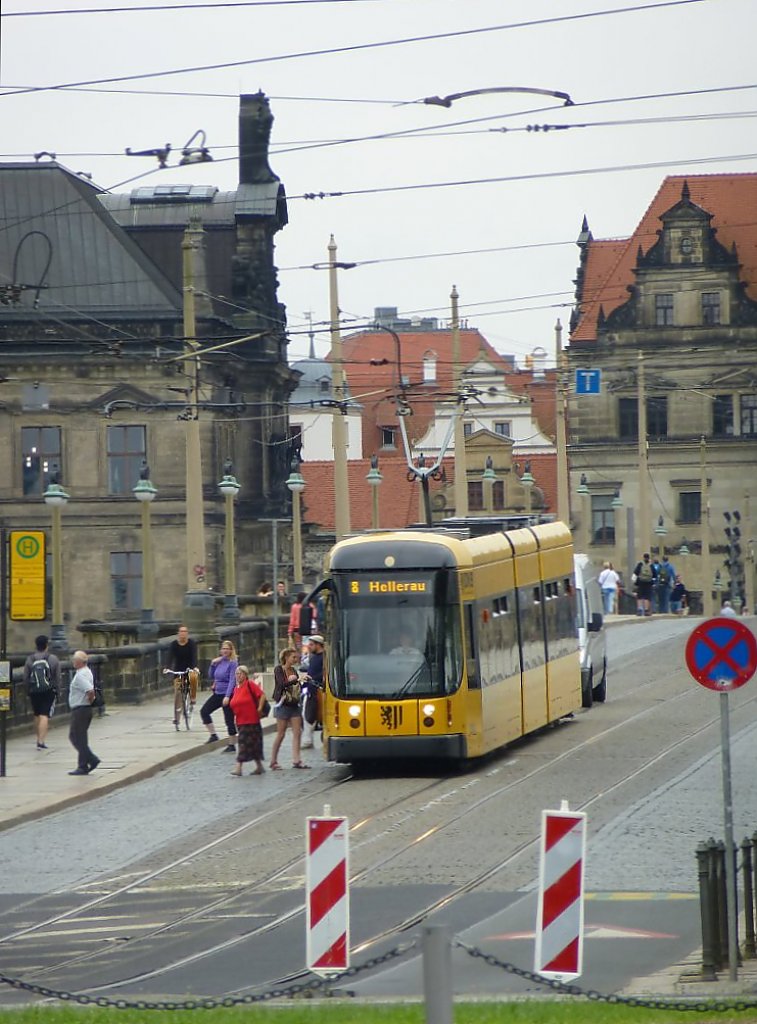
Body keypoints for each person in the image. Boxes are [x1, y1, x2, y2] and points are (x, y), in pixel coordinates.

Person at [269, 647, 309, 770]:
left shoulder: (294, 670)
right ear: (286, 657)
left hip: (294, 704)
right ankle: (273, 761)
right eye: (293, 657)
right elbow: (281, 684)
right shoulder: (279, 670)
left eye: (296, 657)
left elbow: (296, 687)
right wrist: (296, 680)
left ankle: (297, 760)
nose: (296, 659)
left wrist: (304, 681)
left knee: (297, 732)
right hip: (283, 704)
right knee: (281, 734)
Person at [23, 634, 61, 750]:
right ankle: (41, 741)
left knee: (37, 714)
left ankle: (38, 738)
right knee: (44, 715)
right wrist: (58, 691)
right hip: (48, 690)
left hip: (34, 690)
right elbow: (57, 677)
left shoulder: (30, 659)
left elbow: (26, 677)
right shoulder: (53, 659)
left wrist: (28, 690)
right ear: (46, 645)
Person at [228, 665, 266, 777]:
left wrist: (259, 708)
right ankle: (259, 766)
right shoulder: (236, 689)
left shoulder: (250, 685)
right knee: (253, 744)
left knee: (243, 744)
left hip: (252, 720)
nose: (238, 676)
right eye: (236, 674)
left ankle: (238, 767)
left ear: (245, 675)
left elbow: (262, 695)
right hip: (240, 721)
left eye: (240, 673)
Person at [200, 640, 239, 750]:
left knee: (229, 719)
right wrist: (212, 664)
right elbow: (211, 675)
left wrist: (227, 696)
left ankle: (232, 744)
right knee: (204, 711)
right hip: (217, 693)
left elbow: (232, 680)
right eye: (223, 648)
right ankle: (213, 735)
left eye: (227, 649)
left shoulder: (233, 663)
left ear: (231, 650)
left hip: (228, 694)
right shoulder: (220, 661)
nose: (225, 651)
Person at [67, 650, 99, 776]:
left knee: (76, 737)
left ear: (80, 662)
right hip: (83, 709)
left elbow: (90, 691)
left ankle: (91, 760)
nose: (73, 662)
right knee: (80, 738)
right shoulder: (87, 671)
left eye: (74, 660)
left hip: (80, 709)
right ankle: (84, 764)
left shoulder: (80, 675)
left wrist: (90, 701)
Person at [164, 624, 199, 728]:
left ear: (187, 634)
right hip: (178, 670)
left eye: (185, 632)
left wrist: (194, 667)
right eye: (181, 632)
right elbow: (169, 657)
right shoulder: (174, 645)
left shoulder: (191, 644)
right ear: (178, 633)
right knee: (177, 693)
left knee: (193, 678)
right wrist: (167, 667)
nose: (183, 634)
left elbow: (194, 657)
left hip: (189, 668)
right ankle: (177, 718)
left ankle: (192, 698)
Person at [300, 634, 324, 750]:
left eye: (311, 644)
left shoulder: (323, 658)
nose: (309, 647)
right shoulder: (314, 657)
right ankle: (307, 738)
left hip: (316, 690)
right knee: (306, 713)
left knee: (310, 714)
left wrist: (312, 678)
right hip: (309, 689)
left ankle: (307, 740)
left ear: (318, 645)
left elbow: (324, 674)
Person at [632, 552, 656, 617]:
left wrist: (634, 582)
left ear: (643, 558)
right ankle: (646, 610)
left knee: (639, 596)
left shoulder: (640, 564)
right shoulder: (651, 565)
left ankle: (639, 609)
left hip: (640, 582)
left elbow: (635, 573)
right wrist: (653, 583)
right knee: (647, 597)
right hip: (649, 583)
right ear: (649, 558)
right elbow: (654, 575)